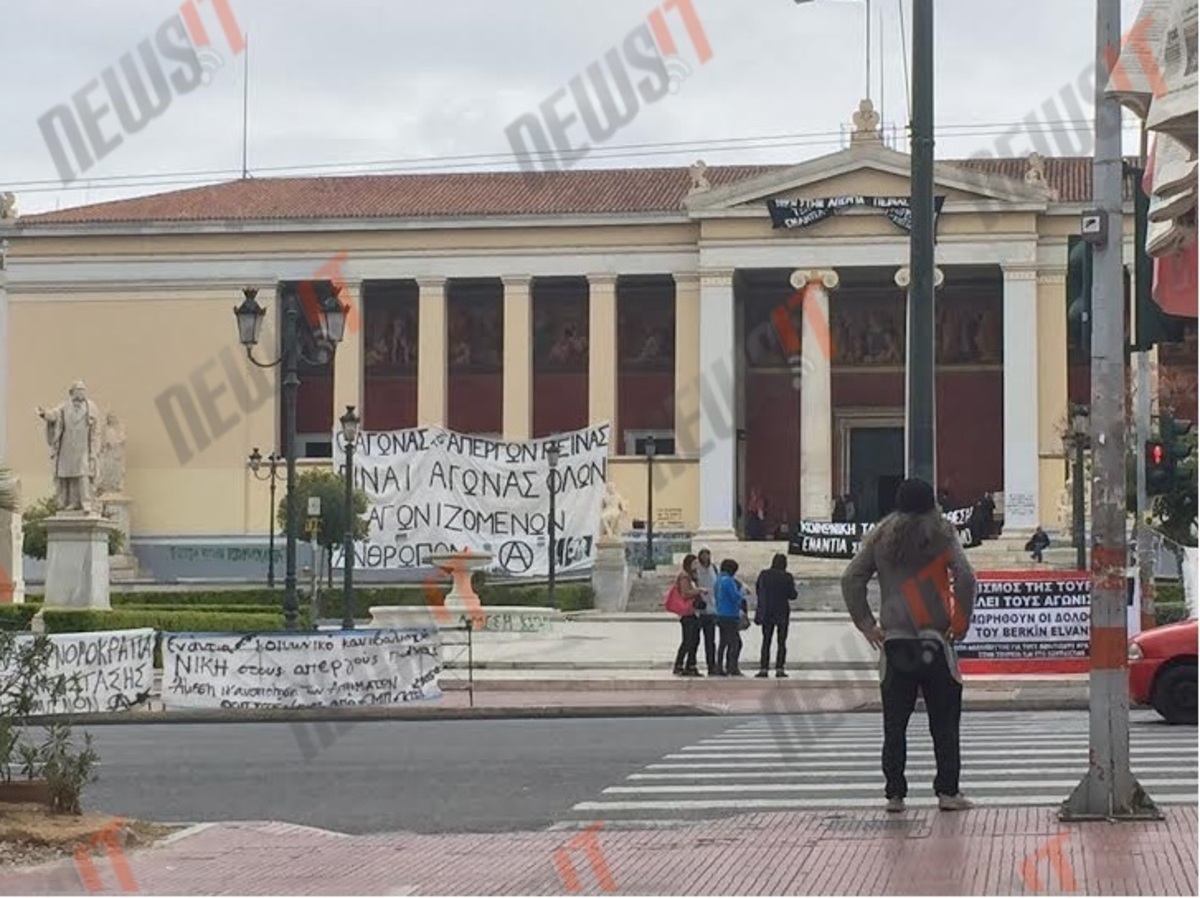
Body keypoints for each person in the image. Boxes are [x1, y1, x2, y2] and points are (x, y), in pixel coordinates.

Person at [841, 477, 977, 814]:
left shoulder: (881, 538)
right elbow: (966, 576)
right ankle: (947, 792)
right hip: (934, 641)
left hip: (896, 641)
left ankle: (895, 794)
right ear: (932, 502)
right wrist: (959, 623)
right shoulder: (943, 535)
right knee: (944, 723)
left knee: (894, 724)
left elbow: (851, 577)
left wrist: (867, 623)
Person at [755, 553, 798, 678]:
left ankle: (764, 668)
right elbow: (793, 595)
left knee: (766, 641)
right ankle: (780, 668)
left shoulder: (764, 575)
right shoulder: (787, 576)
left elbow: (759, 589)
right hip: (782, 612)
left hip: (767, 611)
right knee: (781, 642)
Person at [670, 555, 705, 677]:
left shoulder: (693, 576)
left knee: (695, 640)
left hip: (694, 612)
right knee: (688, 640)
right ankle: (679, 665)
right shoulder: (685, 576)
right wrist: (699, 590)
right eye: (694, 563)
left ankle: (691, 665)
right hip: (687, 613)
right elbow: (685, 594)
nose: (697, 565)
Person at [713, 559, 745, 676]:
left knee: (723, 642)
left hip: (720, 614)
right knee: (736, 643)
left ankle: (719, 666)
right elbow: (735, 597)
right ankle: (732, 667)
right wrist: (743, 592)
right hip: (730, 615)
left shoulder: (718, 581)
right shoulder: (729, 581)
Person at [694, 548, 719, 675]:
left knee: (711, 640)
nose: (705, 558)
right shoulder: (695, 570)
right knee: (694, 640)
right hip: (699, 610)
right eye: (703, 555)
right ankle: (691, 664)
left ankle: (712, 666)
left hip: (712, 609)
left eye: (707, 555)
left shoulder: (714, 568)